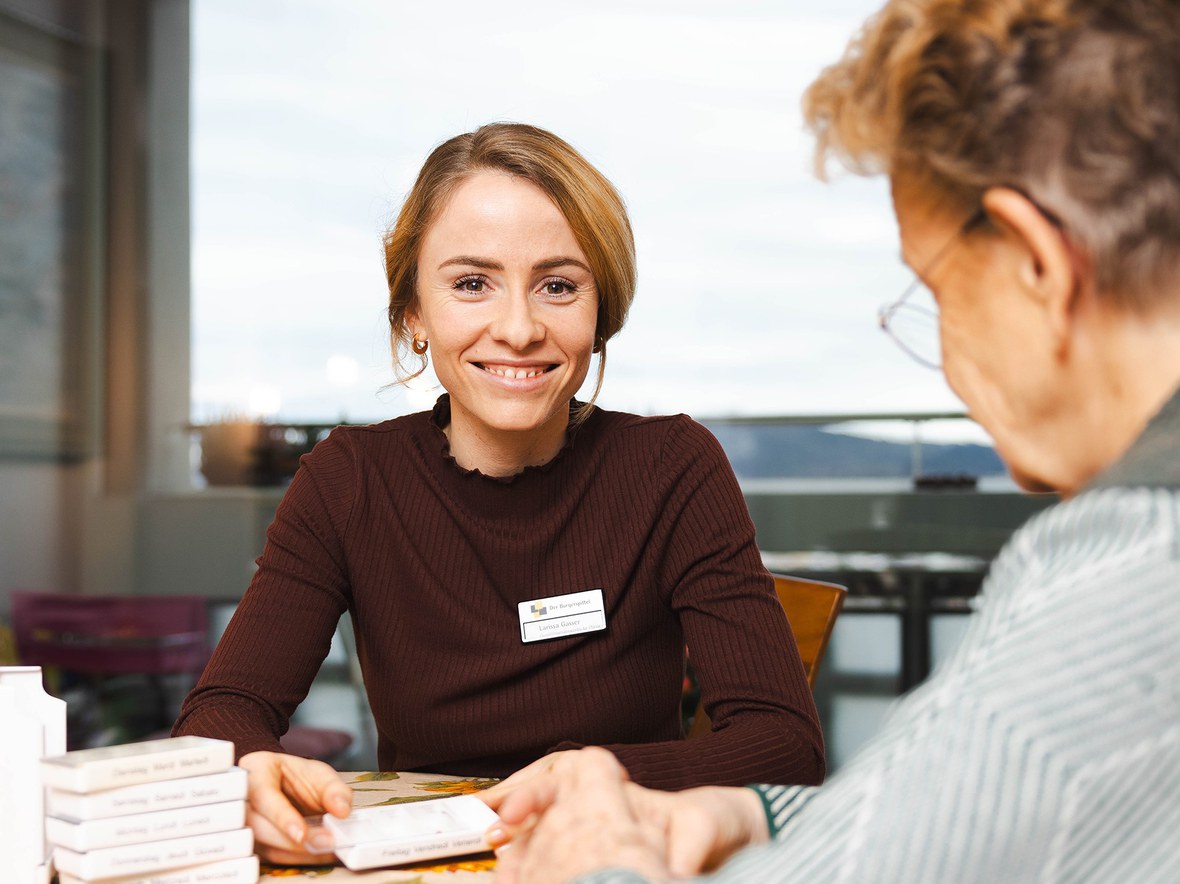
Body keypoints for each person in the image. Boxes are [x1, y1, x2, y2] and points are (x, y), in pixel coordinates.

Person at [483, 1, 1180, 881]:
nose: (951, 365)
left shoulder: (1132, 568)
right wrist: (756, 812)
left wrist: (595, 861)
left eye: (936, 294)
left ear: (1037, 265)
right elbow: (990, 814)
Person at [172, 122, 824, 865]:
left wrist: (596, 775)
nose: (518, 328)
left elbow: (787, 750)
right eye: (472, 284)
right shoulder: (348, 480)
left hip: (610, 863)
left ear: (599, 313)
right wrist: (247, 767)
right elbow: (221, 715)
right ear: (414, 314)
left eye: (558, 286)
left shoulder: (673, 467)